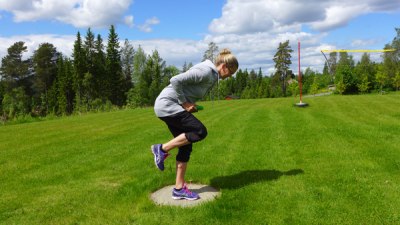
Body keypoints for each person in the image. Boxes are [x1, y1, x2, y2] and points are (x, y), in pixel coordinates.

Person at [151, 49, 238, 200]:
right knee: (199, 131)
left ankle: (178, 189)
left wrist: (189, 104)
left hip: (172, 106)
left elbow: (187, 89)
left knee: (186, 145)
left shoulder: (211, 75)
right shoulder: (205, 72)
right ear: (223, 66)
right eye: (230, 73)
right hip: (167, 105)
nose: (229, 77)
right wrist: (184, 103)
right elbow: (175, 80)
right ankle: (161, 149)